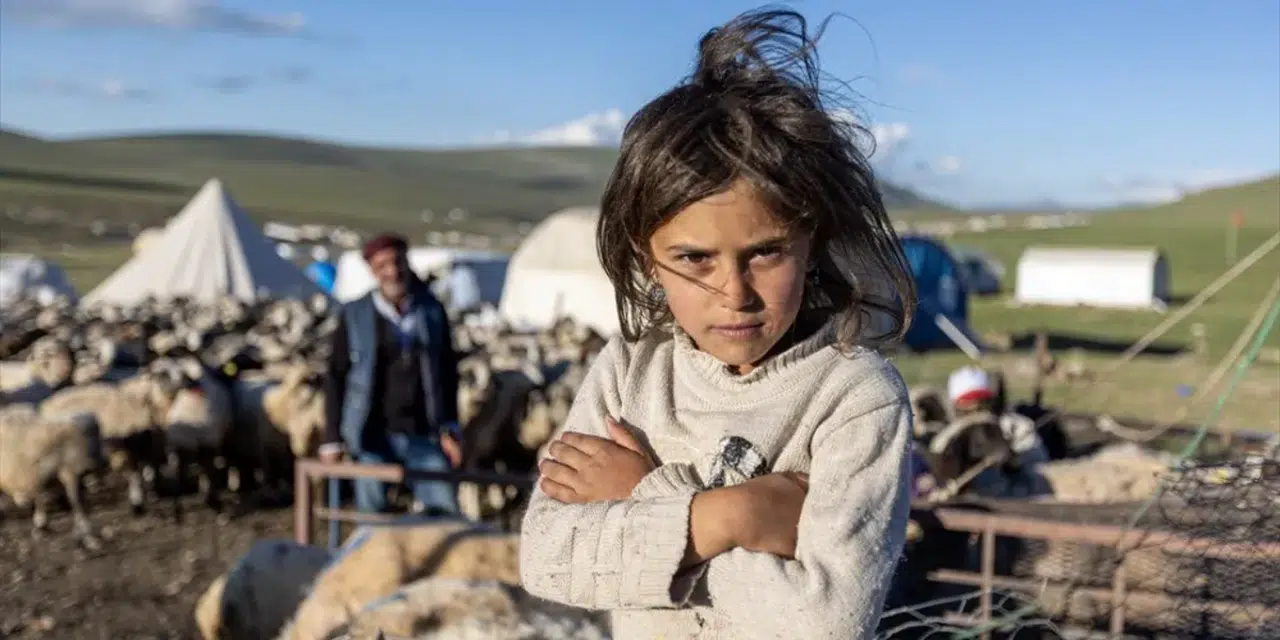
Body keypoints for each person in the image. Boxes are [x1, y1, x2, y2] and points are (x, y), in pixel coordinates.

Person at [517, 9, 919, 639]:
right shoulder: (631, 371)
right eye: (694, 258)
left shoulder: (855, 400)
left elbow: (826, 625)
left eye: (766, 252)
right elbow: (547, 558)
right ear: (647, 256)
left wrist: (646, 495)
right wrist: (735, 515)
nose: (735, 294)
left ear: (811, 241)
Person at [320, 233, 464, 515]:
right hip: (372, 435)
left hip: (422, 433)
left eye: (397, 262)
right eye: (383, 265)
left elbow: (447, 370)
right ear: (372, 271)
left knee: (444, 509)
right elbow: (336, 376)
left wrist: (450, 426)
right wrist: (332, 438)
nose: (393, 271)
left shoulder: (430, 312)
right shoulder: (354, 315)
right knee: (372, 514)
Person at [946, 365, 1051, 496]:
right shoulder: (947, 438)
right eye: (968, 402)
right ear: (955, 406)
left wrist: (1014, 460)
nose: (977, 406)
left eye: (982, 400)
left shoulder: (1016, 427)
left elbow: (1040, 466)